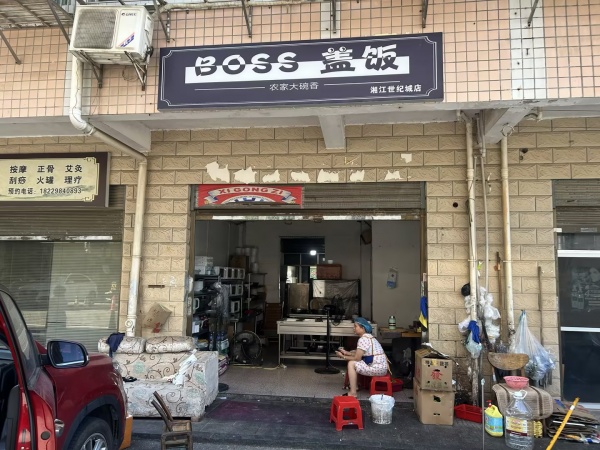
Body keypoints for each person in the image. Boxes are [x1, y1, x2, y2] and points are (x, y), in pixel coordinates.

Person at [335, 317, 388, 397]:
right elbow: (359, 353)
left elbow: (357, 358)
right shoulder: (369, 337)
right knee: (354, 358)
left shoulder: (363, 339)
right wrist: (347, 353)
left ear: (363, 328)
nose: (354, 329)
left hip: (377, 368)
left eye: (355, 326)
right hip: (381, 367)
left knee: (351, 364)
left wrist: (343, 356)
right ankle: (355, 386)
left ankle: (353, 393)